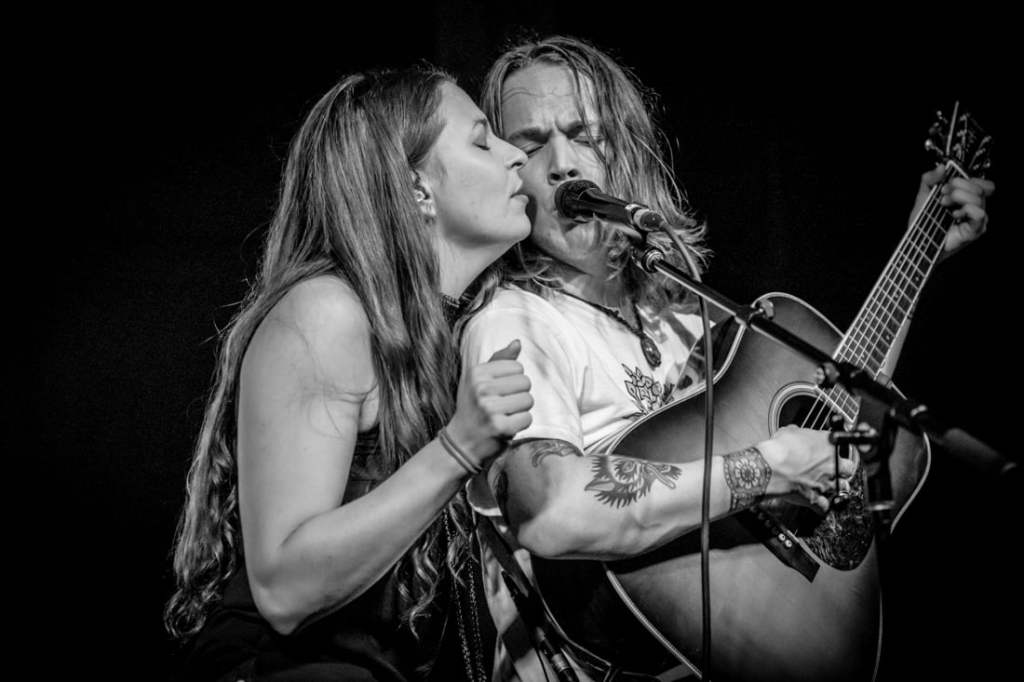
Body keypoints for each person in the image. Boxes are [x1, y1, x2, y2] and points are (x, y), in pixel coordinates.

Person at [461, 35, 994, 681]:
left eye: (583, 135)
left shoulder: (684, 315)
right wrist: (765, 468)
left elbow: (838, 410)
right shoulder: (517, 321)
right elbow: (552, 513)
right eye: (529, 145)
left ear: (625, 147)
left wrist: (920, 253)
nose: (562, 164)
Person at [164, 66, 538, 681]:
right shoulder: (328, 312)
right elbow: (284, 589)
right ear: (416, 188)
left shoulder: (450, 335)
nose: (514, 155)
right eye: (481, 141)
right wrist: (457, 448)